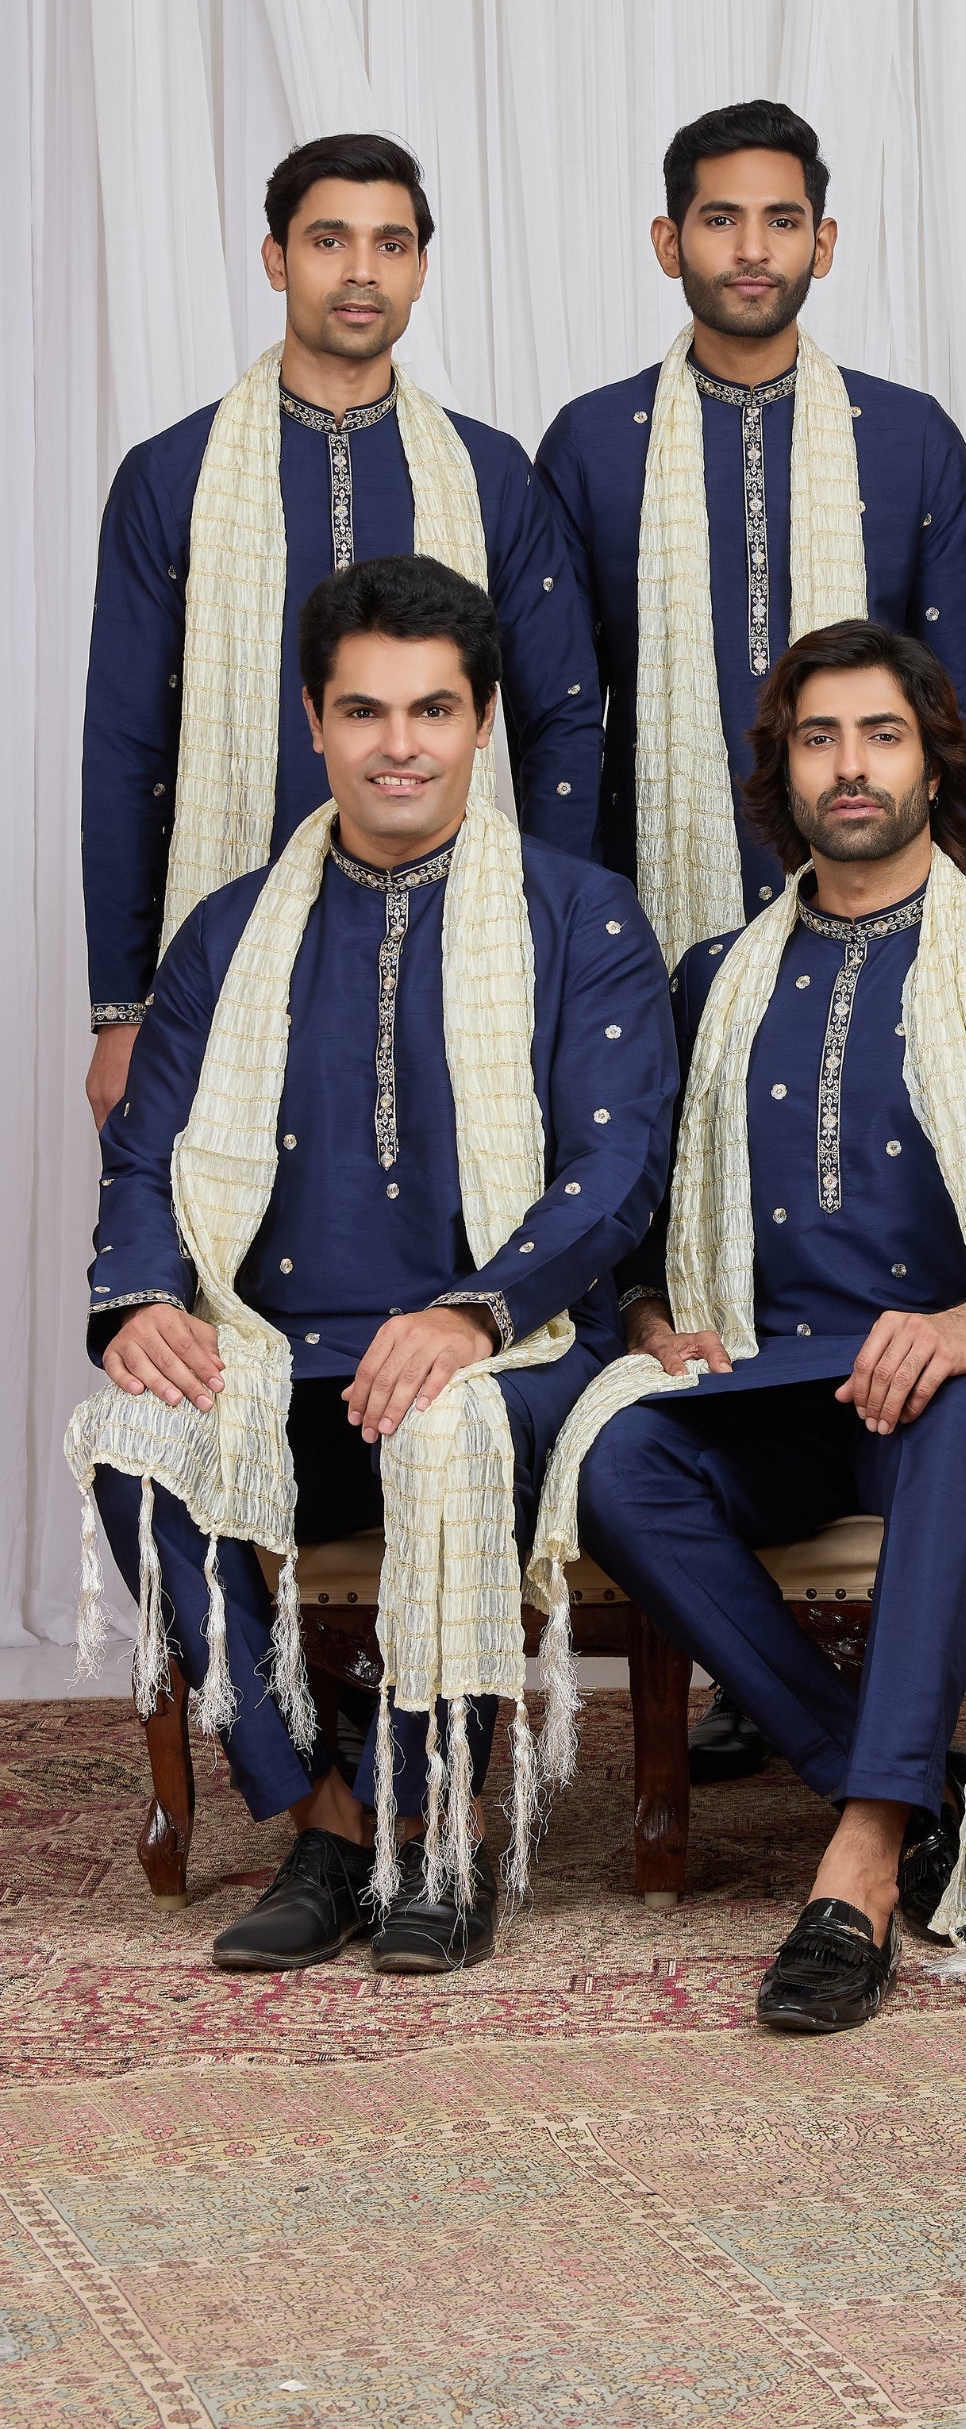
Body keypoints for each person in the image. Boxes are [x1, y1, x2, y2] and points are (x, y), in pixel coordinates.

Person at [542, 621, 966, 2033]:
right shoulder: (713, 979)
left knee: (956, 1413)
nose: (851, 766)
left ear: (934, 764)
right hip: (761, 1381)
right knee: (616, 1459)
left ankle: (864, 1856)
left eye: (882, 734)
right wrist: (651, 1321)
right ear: (783, 774)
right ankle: (902, 1780)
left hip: (951, 1387)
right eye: (818, 739)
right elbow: (630, 1213)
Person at [67, 556, 673, 1974]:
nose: (400, 746)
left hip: (510, 1363)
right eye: (364, 711)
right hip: (286, 1360)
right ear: (314, 719)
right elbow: (147, 1154)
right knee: (132, 1439)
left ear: (482, 721)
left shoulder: (580, 916)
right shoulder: (228, 933)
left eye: (433, 710)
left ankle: (434, 1828)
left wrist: (473, 1315)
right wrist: (142, 1301)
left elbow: (615, 1170)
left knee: (448, 1429)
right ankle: (324, 1820)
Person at [83, 133, 601, 1131]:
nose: (362, 271)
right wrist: (122, 1009)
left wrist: (545, 945)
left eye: (391, 245)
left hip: (464, 946)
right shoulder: (172, 476)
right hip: (230, 942)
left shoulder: (489, 473)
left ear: (419, 269)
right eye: (330, 241)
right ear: (276, 259)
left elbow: (562, 720)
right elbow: (126, 746)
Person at [537, 97, 966, 965]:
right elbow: (560, 711)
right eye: (721, 220)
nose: (752, 250)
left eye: (782, 221)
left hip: (889, 889)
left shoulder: (909, 437)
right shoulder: (592, 444)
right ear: (669, 243)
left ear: (822, 243)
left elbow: (960, 697)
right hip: (648, 891)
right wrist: (564, 914)